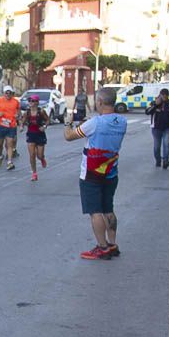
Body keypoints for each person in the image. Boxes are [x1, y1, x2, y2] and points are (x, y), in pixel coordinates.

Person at [64, 87, 127, 258]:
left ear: (99, 102)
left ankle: (102, 246)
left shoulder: (95, 123)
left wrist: (68, 123)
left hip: (92, 172)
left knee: (95, 211)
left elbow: (69, 136)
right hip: (111, 170)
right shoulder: (122, 121)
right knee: (108, 208)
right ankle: (112, 244)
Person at [145, 88, 169, 169]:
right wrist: (155, 105)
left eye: (165, 95)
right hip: (156, 129)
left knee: (166, 144)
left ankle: (165, 161)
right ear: (160, 95)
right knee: (157, 147)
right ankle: (158, 160)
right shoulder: (153, 103)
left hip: (168, 128)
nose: (164, 97)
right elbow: (147, 112)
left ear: (168, 96)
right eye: (162, 95)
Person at [0, 86, 20, 170]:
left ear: (12, 93)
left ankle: (9, 162)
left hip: (11, 125)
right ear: (4, 93)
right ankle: (0, 156)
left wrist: (17, 115)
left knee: (9, 143)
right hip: (1, 125)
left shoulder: (15, 101)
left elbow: (18, 110)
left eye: (9, 93)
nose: (8, 94)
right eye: (6, 93)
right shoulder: (0, 101)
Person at [23, 95, 49, 181]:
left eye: (33, 101)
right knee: (32, 155)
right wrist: (21, 126)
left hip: (40, 134)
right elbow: (22, 121)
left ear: (37, 102)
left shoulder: (41, 111)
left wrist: (44, 126)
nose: (31, 102)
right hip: (31, 134)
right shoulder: (27, 112)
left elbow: (47, 120)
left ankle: (42, 158)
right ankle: (34, 173)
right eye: (30, 100)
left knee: (39, 155)